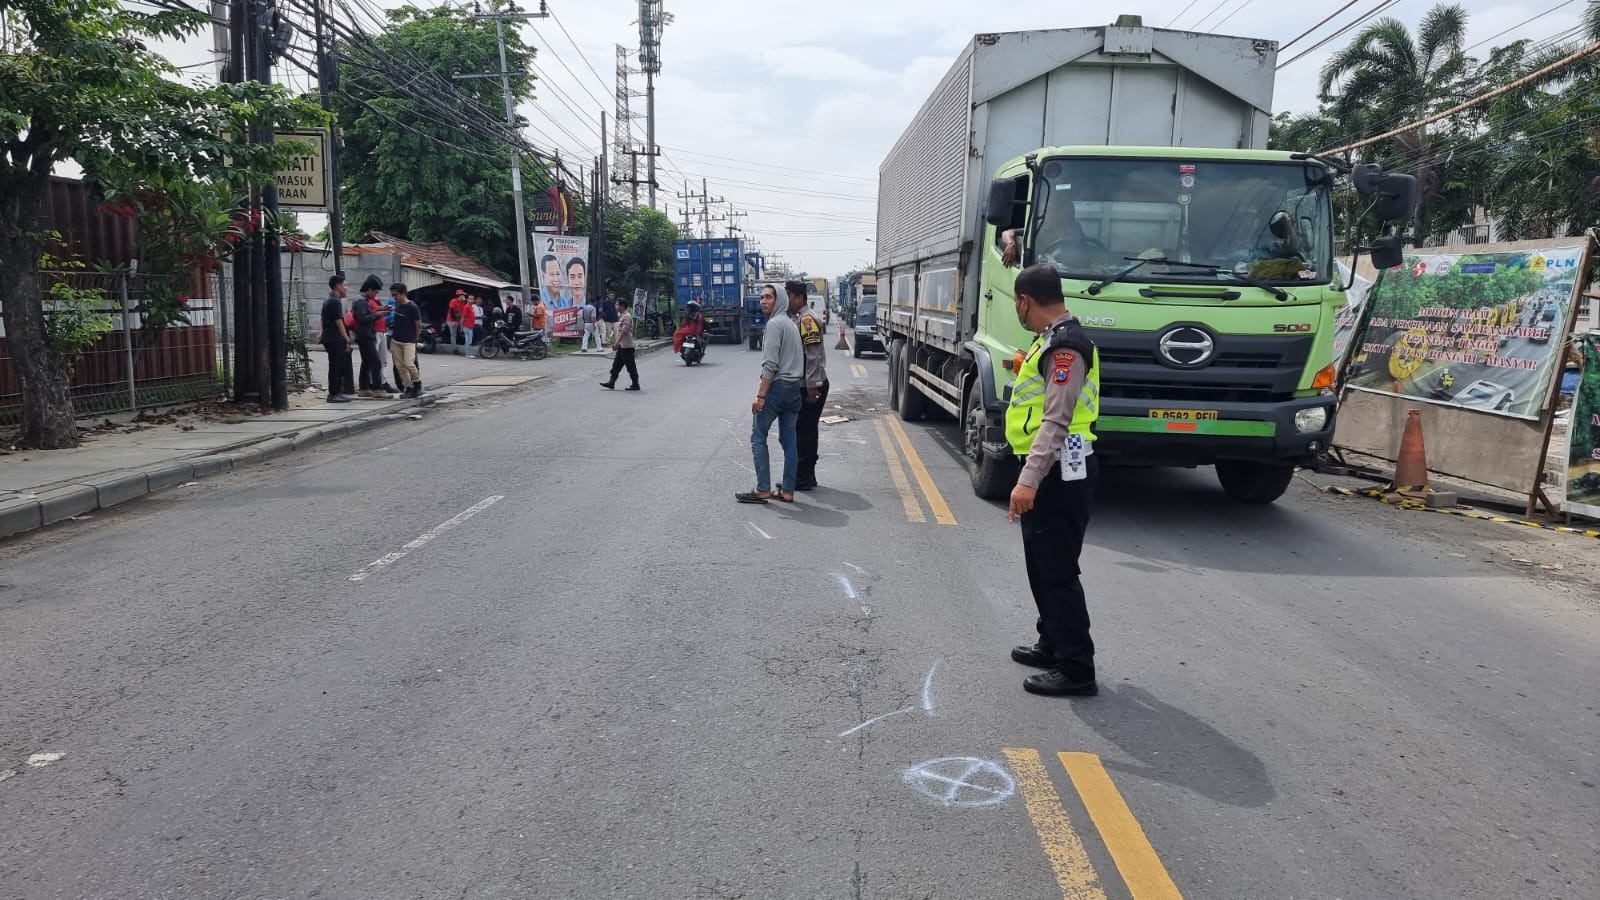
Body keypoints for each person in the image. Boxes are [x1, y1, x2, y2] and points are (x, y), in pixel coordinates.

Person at [1005, 264, 1102, 698]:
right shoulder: (1050, 341)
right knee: (1041, 564)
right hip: (1056, 469)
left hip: (1058, 471)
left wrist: (1028, 480)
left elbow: (1056, 420)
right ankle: (1052, 643)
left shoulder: (1067, 347)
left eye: (1016, 304)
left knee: (1058, 571)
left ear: (1025, 300)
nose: (1017, 311)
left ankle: (1076, 668)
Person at [736, 284, 803, 505]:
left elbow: (771, 364)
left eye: (769, 297)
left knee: (758, 437)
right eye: (762, 297)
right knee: (789, 440)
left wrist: (761, 396)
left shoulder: (775, 324)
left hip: (777, 389)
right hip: (794, 389)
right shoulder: (792, 324)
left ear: (780, 300)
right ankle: (788, 491)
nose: (763, 301)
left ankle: (763, 489)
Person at [787, 280, 830, 490]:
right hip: (809, 382)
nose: (786, 301)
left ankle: (802, 478)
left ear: (799, 298)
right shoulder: (799, 318)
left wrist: (812, 386)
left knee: (803, 430)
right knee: (807, 429)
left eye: (788, 296)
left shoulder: (806, 320)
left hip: (812, 383)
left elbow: (812, 356)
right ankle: (807, 476)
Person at [351, 275, 389, 397]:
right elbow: (362, 318)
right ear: (370, 289)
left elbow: (366, 314)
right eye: (375, 291)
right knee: (375, 362)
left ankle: (364, 388)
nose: (375, 295)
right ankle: (377, 389)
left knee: (366, 362)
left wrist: (379, 309)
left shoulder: (362, 300)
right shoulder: (361, 301)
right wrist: (378, 315)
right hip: (365, 335)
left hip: (365, 334)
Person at [318, 274, 354, 403]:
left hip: (329, 337)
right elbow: (339, 322)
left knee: (336, 365)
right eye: (344, 285)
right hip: (334, 338)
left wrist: (321, 333)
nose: (346, 288)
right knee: (336, 366)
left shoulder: (328, 300)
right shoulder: (335, 301)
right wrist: (347, 339)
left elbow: (321, 319)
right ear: (338, 286)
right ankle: (334, 393)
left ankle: (336, 392)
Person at [388, 282, 423, 398]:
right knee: (400, 366)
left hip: (408, 341)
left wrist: (415, 339)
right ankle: (408, 387)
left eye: (396, 295)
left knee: (409, 363)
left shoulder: (412, 307)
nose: (394, 297)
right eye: (393, 295)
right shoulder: (397, 306)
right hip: (396, 340)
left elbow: (418, 325)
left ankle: (417, 384)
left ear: (403, 293)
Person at [600, 297, 640, 391]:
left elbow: (624, 332)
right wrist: (617, 343)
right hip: (621, 346)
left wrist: (616, 343)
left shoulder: (627, 317)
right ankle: (611, 382)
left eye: (617, 304)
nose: (616, 306)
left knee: (630, 366)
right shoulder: (621, 316)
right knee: (616, 365)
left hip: (627, 346)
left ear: (622, 306)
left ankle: (635, 384)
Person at [372, 291, 398, 394]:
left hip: (382, 330)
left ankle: (384, 382)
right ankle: (372, 384)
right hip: (374, 331)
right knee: (373, 360)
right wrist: (381, 312)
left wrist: (383, 309)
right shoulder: (366, 302)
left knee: (383, 360)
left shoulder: (376, 301)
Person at [447, 290, 466, 355]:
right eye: (463, 295)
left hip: (459, 321)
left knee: (462, 332)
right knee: (453, 335)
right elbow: (451, 311)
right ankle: (455, 350)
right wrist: (454, 321)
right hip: (452, 320)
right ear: (459, 295)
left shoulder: (463, 303)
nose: (464, 296)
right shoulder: (453, 301)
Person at [461, 292, 479, 359]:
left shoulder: (471, 307)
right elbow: (463, 317)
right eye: (470, 299)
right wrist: (462, 326)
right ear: (467, 299)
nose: (472, 300)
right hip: (467, 326)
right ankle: (468, 354)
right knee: (468, 340)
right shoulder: (467, 307)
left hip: (471, 326)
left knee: (469, 340)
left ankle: (468, 353)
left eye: (473, 299)